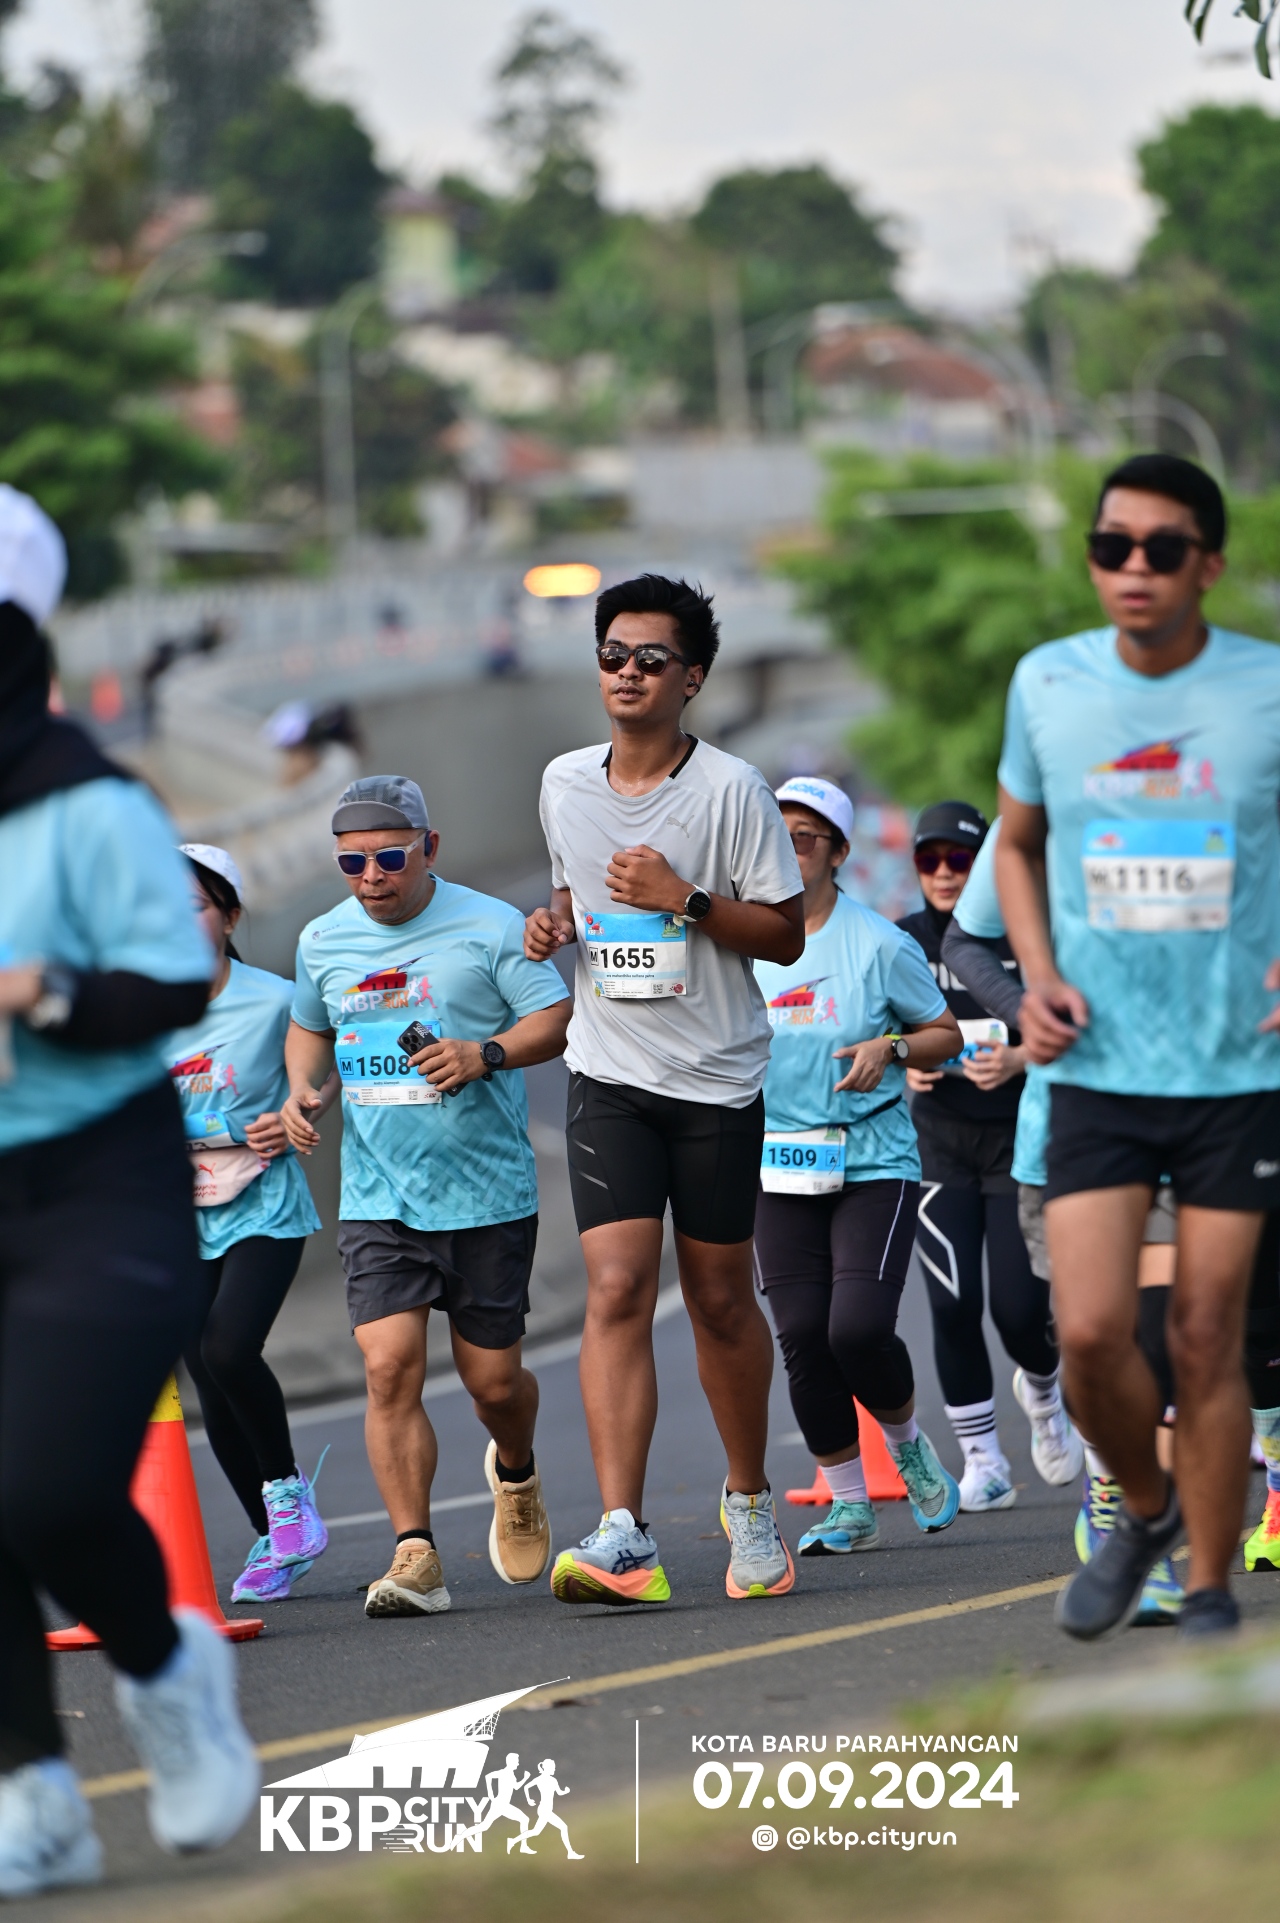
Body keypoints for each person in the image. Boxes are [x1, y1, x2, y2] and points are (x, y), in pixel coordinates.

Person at [0, 487, 257, 1895]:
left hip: (96, 1179)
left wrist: (41, 991)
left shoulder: (89, 803)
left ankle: (168, 1673)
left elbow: (168, 982)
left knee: (43, 1489)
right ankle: (31, 1788)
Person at [994, 452, 1280, 1639]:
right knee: (1087, 1334)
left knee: (1204, 1336)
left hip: (1233, 1070)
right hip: (1096, 1067)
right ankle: (1147, 1508)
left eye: (1161, 549)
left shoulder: (1262, 687)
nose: (1133, 568)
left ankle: (1206, 1587)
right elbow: (1016, 844)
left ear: (1205, 566)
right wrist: (1038, 974)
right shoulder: (1047, 684)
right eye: (1111, 546)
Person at [527, 573, 806, 1605]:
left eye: (652, 660)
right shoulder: (563, 781)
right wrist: (554, 923)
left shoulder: (731, 790)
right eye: (613, 655)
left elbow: (784, 935)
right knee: (614, 1289)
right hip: (608, 1071)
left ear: (691, 679)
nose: (628, 673)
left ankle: (748, 1499)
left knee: (722, 1300)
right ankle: (623, 1533)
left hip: (715, 1080)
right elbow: (571, 891)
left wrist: (682, 899)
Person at [281, 776, 571, 1617]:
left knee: (493, 1384)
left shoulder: (490, 926)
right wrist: (304, 1088)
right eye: (352, 862)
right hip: (379, 1197)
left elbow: (553, 1018)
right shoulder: (322, 939)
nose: (371, 876)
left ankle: (516, 1469)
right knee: (387, 1368)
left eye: (389, 857)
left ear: (429, 847)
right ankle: (416, 1554)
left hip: (487, 1194)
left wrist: (485, 1053)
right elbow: (310, 1025)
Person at [942, 818, 1183, 1623]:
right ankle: (1110, 1479)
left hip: (1190, 1119)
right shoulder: (1045, 800)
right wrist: (1027, 1009)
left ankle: (1147, 1536)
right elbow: (966, 939)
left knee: (1160, 1342)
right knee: (1091, 1339)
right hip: (1070, 1131)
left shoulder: (1221, 783)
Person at [754, 776, 963, 1556]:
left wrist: (893, 1046)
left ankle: (908, 1445)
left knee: (858, 1327)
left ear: (838, 852)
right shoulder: (741, 944)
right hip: (777, 1163)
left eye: (806, 837)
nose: (790, 850)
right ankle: (849, 1504)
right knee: (803, 1336)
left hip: (871, 1155)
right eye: (777, 836)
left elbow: (945, 1034)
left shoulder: (878, 943)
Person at [898, 800, 1080, 1511]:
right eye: (929, 859)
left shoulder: (1023, 936)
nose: (944, 873)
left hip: (1017, 1143)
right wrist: (904, 1061)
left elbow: (1071, 1030)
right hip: (939, 1145)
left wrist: (1017, 1061)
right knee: (952, 1304)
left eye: (960, 860)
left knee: (1018, 1308)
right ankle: (983, 1460)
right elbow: (878, 1031)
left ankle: (1044, 1393)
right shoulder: (903, 941)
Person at [168, 843, 328, 1606]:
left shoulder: (275, 1000)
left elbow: (323, 1065)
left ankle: (288, 1494)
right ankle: (276, 1535)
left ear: (229, 916)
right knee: (206, 1374)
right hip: (175, 1214)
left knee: (228, 1346)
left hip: (262, 1202)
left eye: (193, 907)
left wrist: (294, 1112)